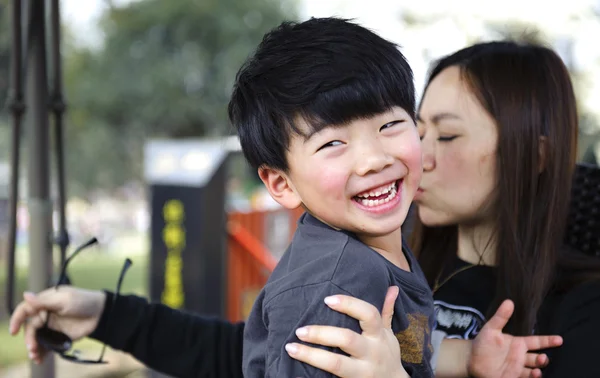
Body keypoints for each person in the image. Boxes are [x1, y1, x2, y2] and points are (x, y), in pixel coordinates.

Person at [9, 27, 561, 378]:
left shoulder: (383, 250)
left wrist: (466, 360)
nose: (373, 157)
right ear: (281, 183)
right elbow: (253, 353)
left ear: (534, 156)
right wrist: (109, 313)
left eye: (396, 125)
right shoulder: (337, 285)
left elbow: (408, 347)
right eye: (333, 142)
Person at [286, 41, 600, 378]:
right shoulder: (387, 270)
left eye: (447, 136)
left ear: (534, 158)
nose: (420, 156)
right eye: (417, 132)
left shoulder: (583, 308)